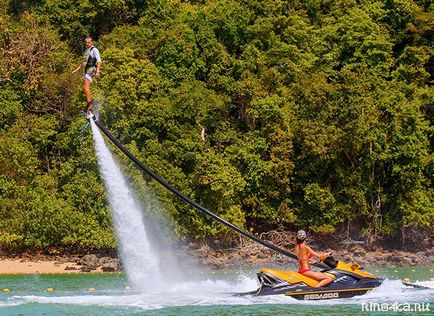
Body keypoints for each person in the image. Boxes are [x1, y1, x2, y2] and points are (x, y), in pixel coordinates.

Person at [72, 36, 101, 117]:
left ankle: (90, 104)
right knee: (84, 87)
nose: (87, 44)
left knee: (85, 86)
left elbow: (99, 61)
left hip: (91, 70)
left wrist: (98, 71)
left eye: (89, 42)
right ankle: (89, 104)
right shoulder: (86, 50)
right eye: (86, 42)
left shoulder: (94, 50)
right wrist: (76, 70)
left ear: (92, 42)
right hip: (86, 71)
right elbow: (83, 62)